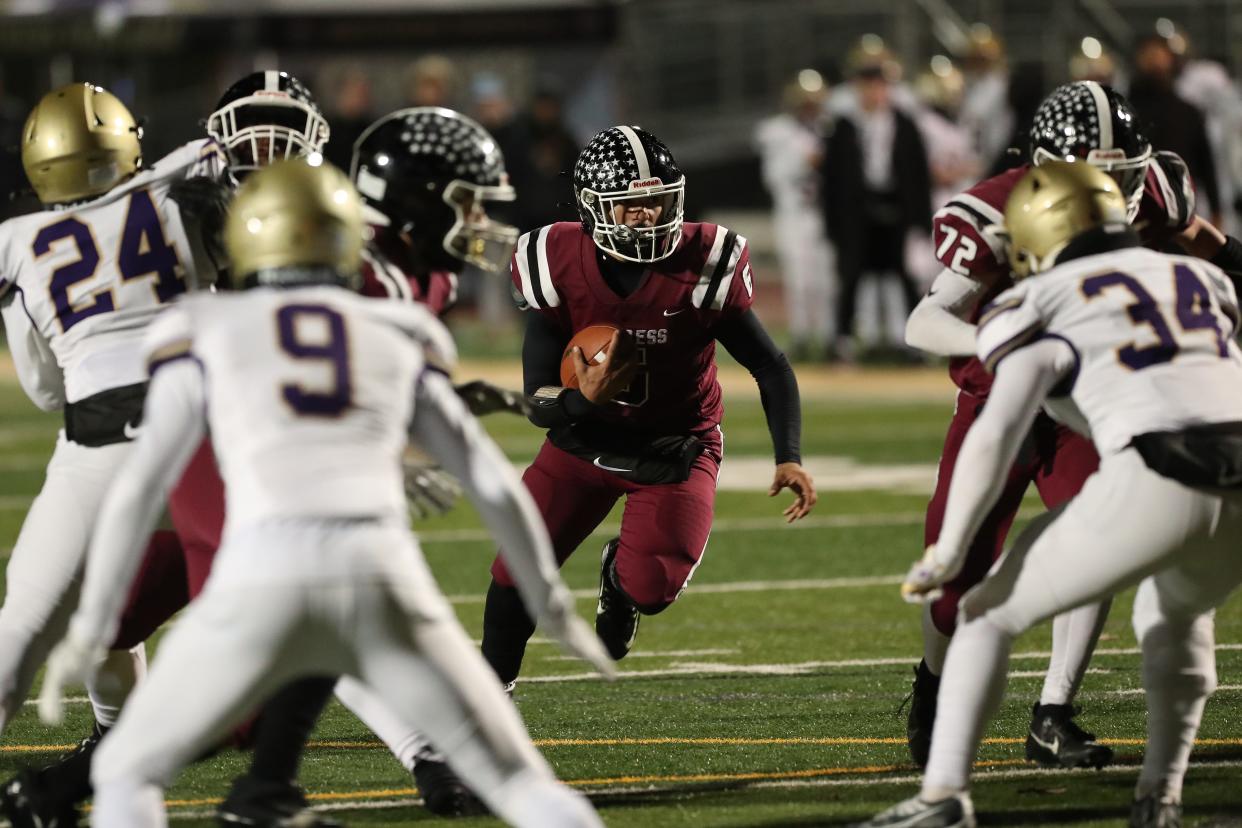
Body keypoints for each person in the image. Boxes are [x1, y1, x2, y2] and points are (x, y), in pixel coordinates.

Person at [36, 158, 614, 828]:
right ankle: (298, 783)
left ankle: (260, 788)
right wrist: (553, 607)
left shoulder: (198, 328)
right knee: (520, 783)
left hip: (259, 570)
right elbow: (491, 483)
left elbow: (139, 490)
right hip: (381, 568)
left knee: (124, 772)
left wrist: (89, 623)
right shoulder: (403, 330)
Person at [865, 160, 1242, 828]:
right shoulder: (1200, 277)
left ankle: (943, 797)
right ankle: (1160, 797)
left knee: (986, 613)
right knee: (1176, 614)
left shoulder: (1041, 298)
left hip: (1156, 471)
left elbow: (998, 429)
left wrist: (951, 548)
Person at [0, 82, 226, 807]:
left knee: (28, 624)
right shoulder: (178, 188)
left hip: (97, 444)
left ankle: (121, 753)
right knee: (299, 592)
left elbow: (42, 388)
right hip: (201, 438)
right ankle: (428, 750)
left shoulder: (17, 242)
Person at [822, 41, 932, 360]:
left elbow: (918, 174)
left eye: (879, 84)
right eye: (867, 84)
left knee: (906, 275)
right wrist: (833, 223)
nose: (874, 91)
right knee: (852, 275)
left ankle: (917, 342)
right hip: (858, 209)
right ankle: (842, 340)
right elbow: (832, 180)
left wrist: (920, 220)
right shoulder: (844, 125)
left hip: (896, 205)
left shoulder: (905, 123)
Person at [755, 69, 836, 361]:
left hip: (824, 213)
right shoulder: (779, 132)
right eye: (806, 101)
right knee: (799, 279)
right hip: (793, 213)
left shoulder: (829, 129)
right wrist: (805, 162)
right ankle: (802, 336)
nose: (810, 107)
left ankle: (830, 337)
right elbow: (773, 176)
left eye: (814, 101)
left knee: (826, 280)